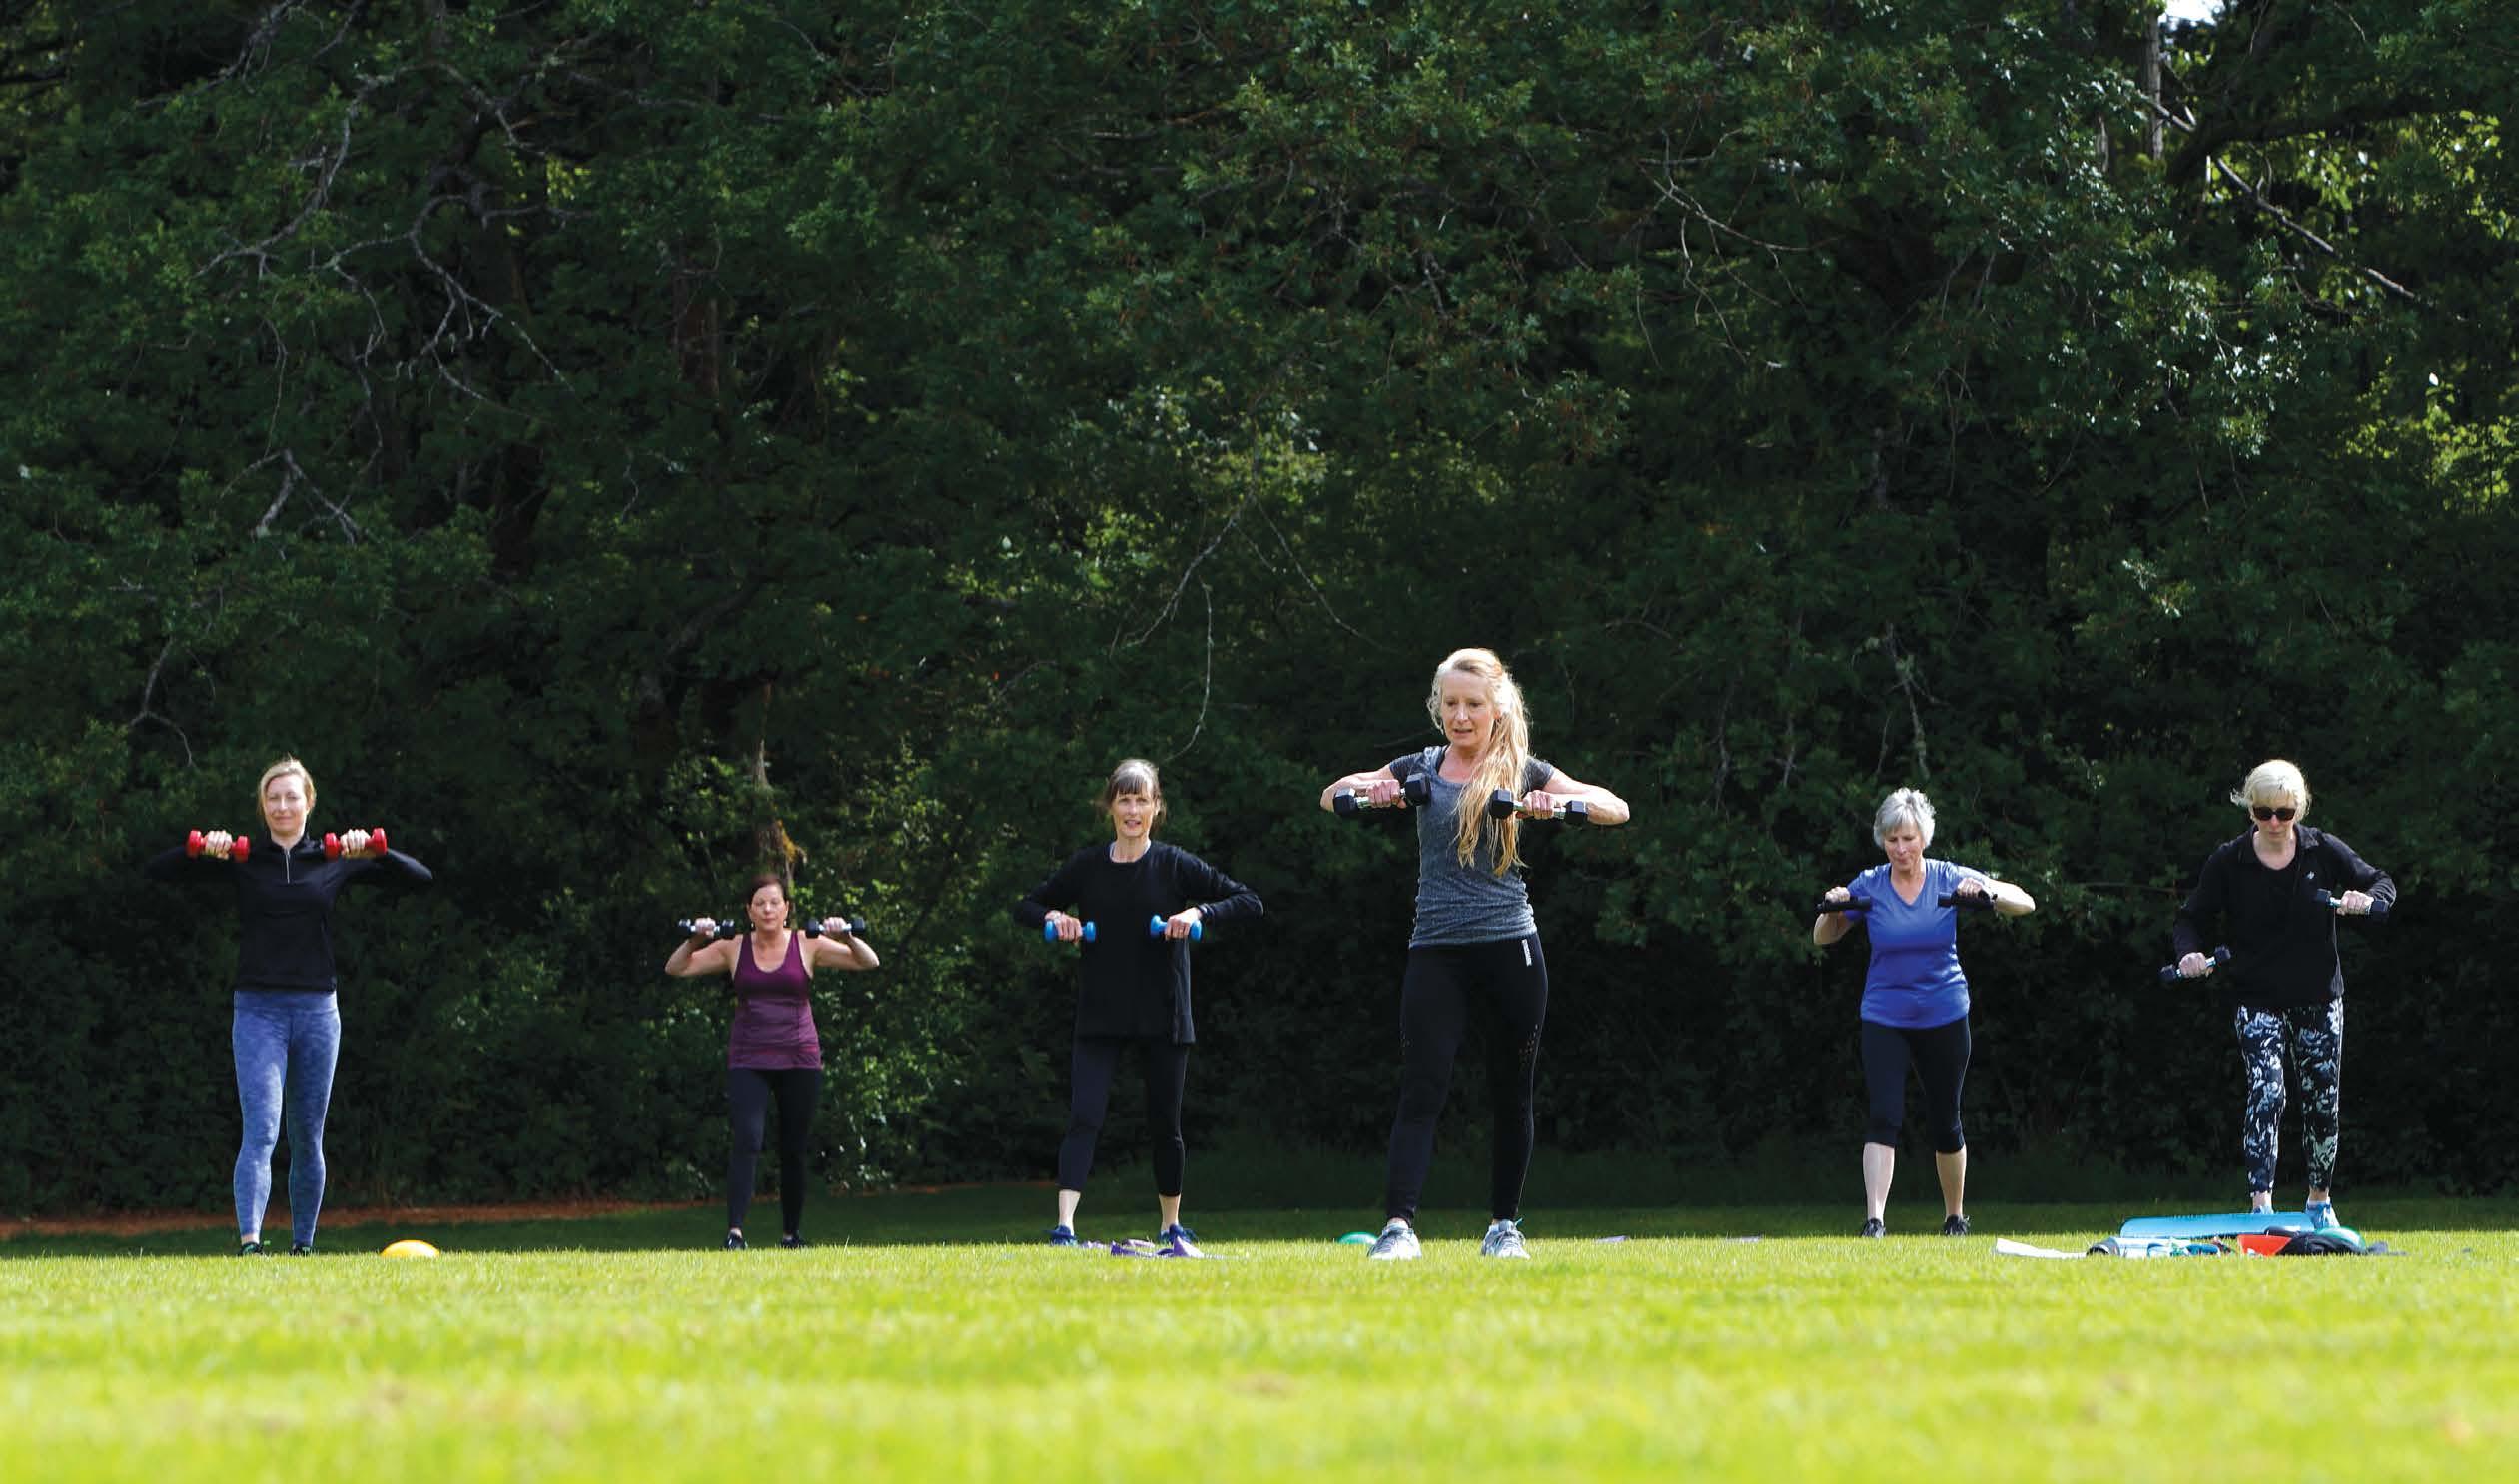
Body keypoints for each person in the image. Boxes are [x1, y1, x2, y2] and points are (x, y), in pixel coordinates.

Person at [1318, 647, 1631, 1262]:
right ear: (1438, 708)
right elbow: (1331, 796)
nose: (1461, 717)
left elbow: (1616, 808)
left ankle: (1504, 1228)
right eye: (1451, 704)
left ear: (1496, 709)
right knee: (1422, 1088)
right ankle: (1398, 1229)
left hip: (1510, 948)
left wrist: (1559, 805)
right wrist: (1374, 793)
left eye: (1473, 705)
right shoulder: (1421, 767)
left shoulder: (1522, 770)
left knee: (1512, 1091)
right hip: (1436, 950)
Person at [145, 756, 434, 1256]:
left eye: (291, 797)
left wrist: (376, 850)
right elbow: (156, 871)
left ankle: (303, 1246)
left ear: (308, 803)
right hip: (258, 1011)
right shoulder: (243, 860)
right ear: (262, 806)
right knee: (261, 1131)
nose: (282, 806)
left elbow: (420, 877)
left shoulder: (333, 859)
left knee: (307, 1136)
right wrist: (200, 848)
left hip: (318, 1011)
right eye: (273, 798)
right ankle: (250, 1244)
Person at [1014, 758, 1261, 1255]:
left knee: (1164, 1123)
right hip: (1101, 1010)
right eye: (1123, 800)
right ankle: (1064, 1228)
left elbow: (1248, 901)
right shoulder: (1087, 866)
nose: (1132, 810)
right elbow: (1026, 906)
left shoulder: (1174, 865)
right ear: (1109, 807)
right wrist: (1056, 917)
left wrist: (1198, 912)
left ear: (1156, 807)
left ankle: (1171, 1226)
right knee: (1084, 1116)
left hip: (1163, 1011)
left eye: (1141, 800)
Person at [2170, 759, 2393, 1231]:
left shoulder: (2322, 850)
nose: (2274, 823)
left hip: (2319, 998)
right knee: (2267, 1091)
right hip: (2256, 998)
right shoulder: (2230, 861)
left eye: (2285, 813)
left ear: (2299, 810)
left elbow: (2382, 883)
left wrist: (2367, 900)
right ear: (2250, 809)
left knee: (2322, 1100)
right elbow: (2190, 918)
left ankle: (2319, 1202)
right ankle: (2261, 1206)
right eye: (2264, 812)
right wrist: (2189, 954)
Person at [1815, 787, 2035, 1239]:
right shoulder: (1870, 884)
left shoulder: (1947, 877)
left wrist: (1987, 890)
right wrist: (1833, 906)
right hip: (1885, 1014)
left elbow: (2025, 902)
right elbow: (1823, 936)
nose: (1901, 849)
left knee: (1945, 1119)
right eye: (1892, 840)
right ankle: (1874, 1221)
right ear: (1882, 840)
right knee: (1884, 1115)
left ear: (1924, 838)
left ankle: (1954, 1217)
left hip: (1944, 1012)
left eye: (1908, 839)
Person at [666, 874, 880, 1249]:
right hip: (749, 1057)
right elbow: (676, 967)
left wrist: (846, 936)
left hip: (800, 1057)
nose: (767, 909)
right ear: (749, 911)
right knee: (748, 1140)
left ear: (786, 909)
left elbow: (869, 961)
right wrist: (695, 938)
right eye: (760, 903)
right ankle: (735, 1234)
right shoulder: (733, 946)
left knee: (793, 1147)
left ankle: (791, 1235)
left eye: (774, 903)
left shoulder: (808, 943)